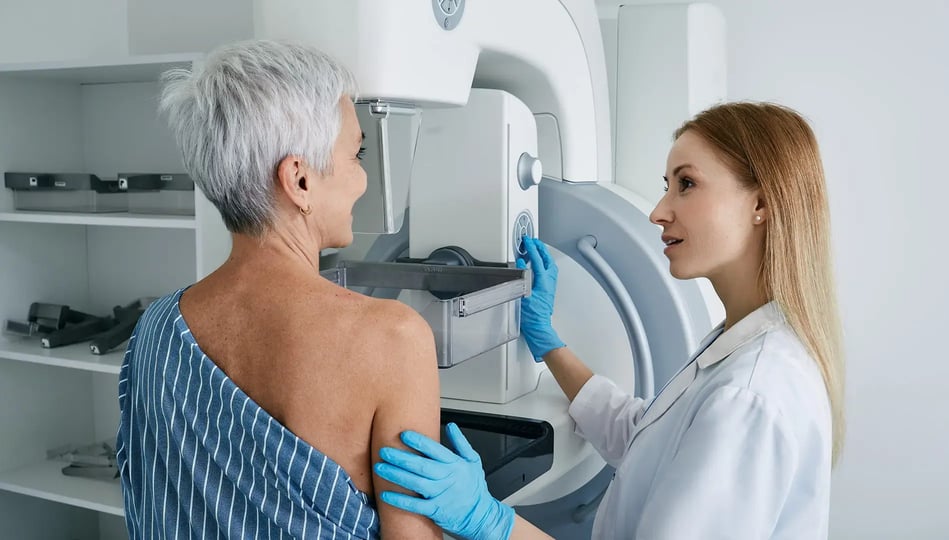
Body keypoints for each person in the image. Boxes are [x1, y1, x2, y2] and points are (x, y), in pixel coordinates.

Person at [373, 101, 844, 539]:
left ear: (760, 204)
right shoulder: (744, 342)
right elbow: (645, 441)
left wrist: (491, 521)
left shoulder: (750, 394)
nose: (660, 212)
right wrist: (548, 341)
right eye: (666, 186)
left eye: (687, 184)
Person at [116, 40, 442, 539]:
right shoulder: (392, 338)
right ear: (299, 180)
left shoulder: (155, 329)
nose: (363, 179)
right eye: (356, 154)